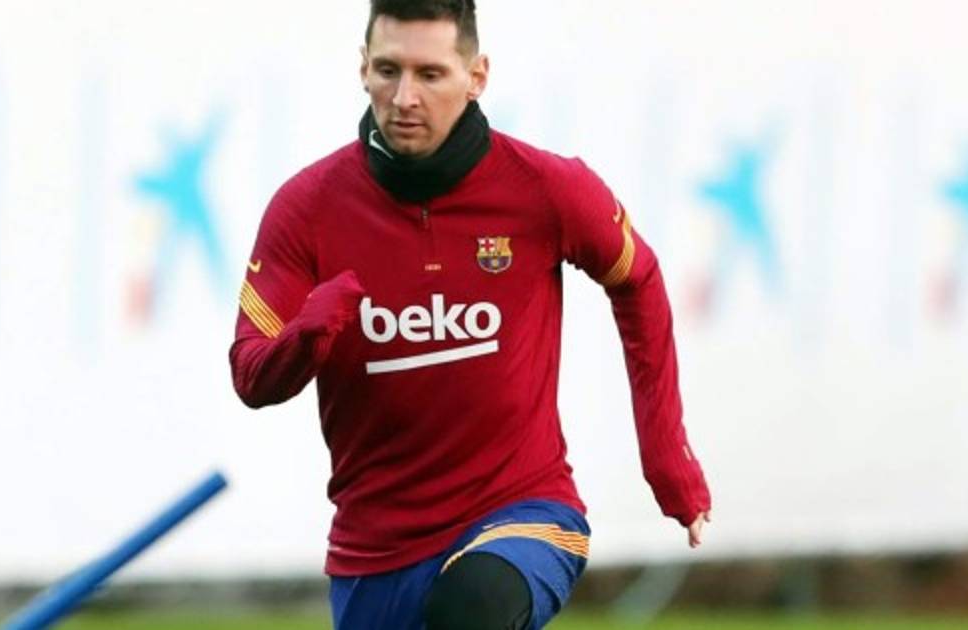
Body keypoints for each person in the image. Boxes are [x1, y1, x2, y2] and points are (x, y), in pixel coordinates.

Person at [230, 1, 711, 627]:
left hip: (522, 512)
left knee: (472, 608)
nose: (405, 97)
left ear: (476, 76)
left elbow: (637, 279)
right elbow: (251, 375)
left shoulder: (546, 188)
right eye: (388, 70)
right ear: (363, 69)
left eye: (430, 74)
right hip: (375, 552)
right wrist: (307, 336)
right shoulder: (306, 208)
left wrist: (668, 456)